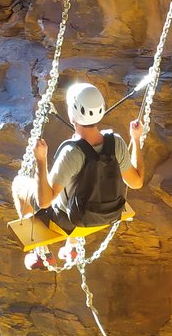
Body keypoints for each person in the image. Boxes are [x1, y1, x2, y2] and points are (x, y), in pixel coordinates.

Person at [23, 81, 147, 270]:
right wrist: (136, 140)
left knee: (19, 185)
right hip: (108, 214)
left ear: (72, 115)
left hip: (71, 221)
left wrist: (41, 160)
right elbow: (136, 183)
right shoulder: (117, 143)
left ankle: (41, 253)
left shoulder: (71, 153)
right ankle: (71, 247)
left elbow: (45, 202)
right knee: (79, 186)